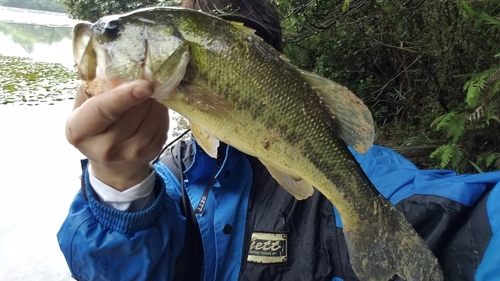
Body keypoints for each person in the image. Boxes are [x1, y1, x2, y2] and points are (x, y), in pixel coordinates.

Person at [58, 0, 500, 280]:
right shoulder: (172, 176)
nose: (103, 38)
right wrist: (120, 183)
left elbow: (455, 216)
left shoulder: (375, 175)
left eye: (114, 33)